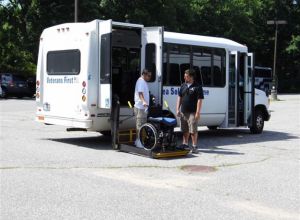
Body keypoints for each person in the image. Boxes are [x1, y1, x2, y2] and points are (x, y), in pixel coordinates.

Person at [176, 69, 204, 154]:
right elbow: (179, 98)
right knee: (185, 129)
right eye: (184, 76)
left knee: (193, 130)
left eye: (186, 76)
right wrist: (177, 109)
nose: (184, 77)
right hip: (184, 111)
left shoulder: (197, 86)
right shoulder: (183, 86)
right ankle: (185, 144)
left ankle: (194, 146)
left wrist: (198, 112)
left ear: (191, 77)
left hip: (193, 112)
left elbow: (200, 100)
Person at [134, 69, 152, 146]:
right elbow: (140, 93)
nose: (150, 77)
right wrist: (144, 101)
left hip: (142, 107)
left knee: (142, 125)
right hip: (140, 107)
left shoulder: (143, 81)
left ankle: (138, 141)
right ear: (144, 74)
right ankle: (139, 142)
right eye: (149, 76)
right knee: (140, 125)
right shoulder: (141, 81)